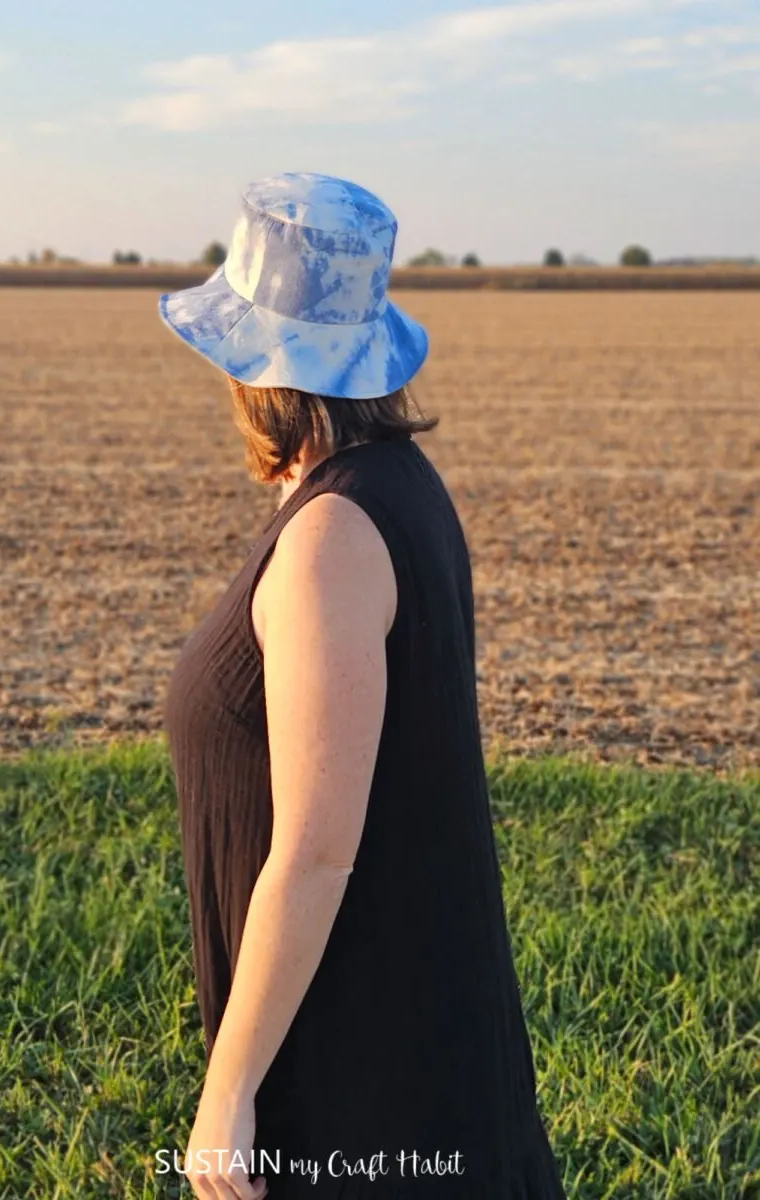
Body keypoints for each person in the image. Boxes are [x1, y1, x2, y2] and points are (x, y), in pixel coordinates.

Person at [159, 172, 568, 1199]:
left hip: (362, 1069)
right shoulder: (390, 488)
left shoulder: (334, 540)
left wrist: (229, 1090)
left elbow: (315, 853)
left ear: (262, 365)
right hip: (391, 1024)